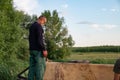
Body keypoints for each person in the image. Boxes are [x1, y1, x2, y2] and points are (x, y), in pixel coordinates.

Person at [28, 15, 48, 80]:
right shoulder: (38, 26)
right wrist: (44, 49)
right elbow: (40, 40)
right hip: (38, 51)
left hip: (32, 50)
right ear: (41, 20)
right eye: (44, 22)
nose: (43, 24)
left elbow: (30, 38)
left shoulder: (32, 26)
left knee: (32, 67)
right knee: (40, 68)